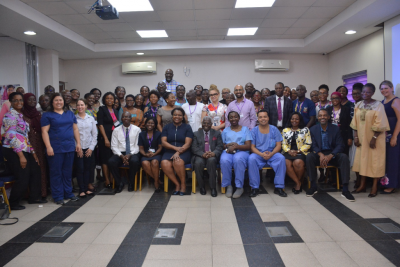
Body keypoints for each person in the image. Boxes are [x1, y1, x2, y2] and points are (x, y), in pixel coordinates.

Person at [2, 92, 44, 210]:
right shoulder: (9, 116)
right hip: (12, 150)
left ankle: (34, 197)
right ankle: (13, 203)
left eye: (21, 100)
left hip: (24, 147)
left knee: (35, 169)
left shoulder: (20, 116)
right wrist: (21, 155)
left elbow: (24, 137)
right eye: (16, 100)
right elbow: (11, 137)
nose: (19, 102)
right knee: (23, 175)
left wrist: (33, 153)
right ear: (10, 102)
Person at [306, 109, 355, 201]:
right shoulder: (312, 129)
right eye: (320, 116)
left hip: (332, 154)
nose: (322, 117)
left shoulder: (335, 128)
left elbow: (340, 145)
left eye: (325, 115)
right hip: (319, 154)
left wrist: (331, 155)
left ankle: (345, 189)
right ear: (318, 118)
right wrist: (320, 154)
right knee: (309, 157)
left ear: (328, 117)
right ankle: (313, 186)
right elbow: (313, 145)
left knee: (344, 157)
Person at [41, 93, 81, 205]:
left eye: (61, 100)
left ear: (64, 102)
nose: (59, 102)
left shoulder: (70, 114)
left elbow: (75, 129)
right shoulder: (47, 115)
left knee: (67, 172)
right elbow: (44, 132)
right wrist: (48, 147)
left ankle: (68, 193)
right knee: (56, 172)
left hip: (69, 147)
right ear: (52, 103)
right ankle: (58, 196)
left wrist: (78, 143)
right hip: (55, 148)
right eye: (56, 100)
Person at [351, 83, 389, 197]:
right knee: (363, 161)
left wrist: (374, 138)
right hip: (362, 138)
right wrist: (356, 136)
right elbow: (355, 123)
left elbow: (381, 123)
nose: (365, 94)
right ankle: (362, 185)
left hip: (375, 139)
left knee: (375, 162)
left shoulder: (378, 105)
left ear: (373, 93)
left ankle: (374, 187)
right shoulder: (359, 104)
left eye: (368, 92)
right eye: (363, 92)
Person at [248, 110, 287, 197]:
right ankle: (255, 188)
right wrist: (261, 154)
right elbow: (252, 147)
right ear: (258, 119)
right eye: (260, 117)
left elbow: (278, 145)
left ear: (268, 118)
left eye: (265, 116)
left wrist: (271, 153)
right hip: (258, 154)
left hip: (272, 153)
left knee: (281, 158)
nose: (263, 119)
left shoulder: (274, 129)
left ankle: (279, 187)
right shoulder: (254, 131)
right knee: (251, 159)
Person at [161, 107, 193, 196]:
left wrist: (178, 152)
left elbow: (188, 143)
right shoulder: (167, 127)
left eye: (179, 115)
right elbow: (163, 142)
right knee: (164, 163)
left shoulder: (187, 127)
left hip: (184, 151)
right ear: (172, 116)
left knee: (178, 161)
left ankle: (183, 185)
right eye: (175, 115)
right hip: (170, 150)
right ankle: (177, 184)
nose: (177, 117)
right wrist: (175, 149)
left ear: (183, 117)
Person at [22, 93, 48, 199]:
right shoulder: (22, 115)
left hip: (39, 144)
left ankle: (42, 193)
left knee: (41, 169)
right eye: (29, 100)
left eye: (34, 100)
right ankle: (31, 195)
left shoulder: (38, 114)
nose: (32, 102)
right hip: (27, 146)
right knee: (31, 170)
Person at [221, 111, 252, 198]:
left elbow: (248, 146)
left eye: (235, 117)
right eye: (231, 117)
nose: (233, 119)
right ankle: (229, 186)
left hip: (242, 152)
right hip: (228, 151)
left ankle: (239, 187)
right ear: (228, 119)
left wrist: (236, 147)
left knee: (238, 159)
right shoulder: (225, 131)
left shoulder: (245, 129)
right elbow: (222, 145)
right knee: (224, 160)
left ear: (239, 118)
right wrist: (228, 145)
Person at [108, 111, 141, 193]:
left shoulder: (137, 129)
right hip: (120, 152)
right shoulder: (116, 130)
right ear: (121, 119)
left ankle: (131, 183)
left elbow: (138, 146)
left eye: (128, 117)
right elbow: (114, 146)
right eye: (124, 117)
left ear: (131, 118)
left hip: (133, 152)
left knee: (134, 161)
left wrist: (130, 154)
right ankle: (119, 183)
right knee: (111, 162)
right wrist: (121, 156)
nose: (126, 118)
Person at [191, 116, 223, 197]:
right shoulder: (196, 134)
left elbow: (220, 146)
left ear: (211, 124)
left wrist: (213, 153)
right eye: (204, 123)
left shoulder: (216, 133)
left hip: (212, 155)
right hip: (200, 155)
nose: (206, 124)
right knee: (198, 163)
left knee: (211, 161)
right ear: (201, 124)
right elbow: (194, 147)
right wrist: (202, 154)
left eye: (208, 123)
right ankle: (202, 187)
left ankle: (213, 188)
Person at [281, 112, 311, 194]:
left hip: (301, 152)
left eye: (297, 119)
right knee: (286, 162)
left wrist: (298, 151)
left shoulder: (305, 130)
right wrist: (289, 151)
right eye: (292, 119)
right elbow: (283, 143)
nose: (294, 120)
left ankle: (297, 183)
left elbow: (308, 143)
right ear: (290, 120)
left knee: (297, 162)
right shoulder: (285, 130)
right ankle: (298, 183)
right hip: (288, 152)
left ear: (300, 120)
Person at [380, 80, 400, 193]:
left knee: (393, 160)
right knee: (386, 160)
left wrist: (394, 136)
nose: (384, 90)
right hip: (385, 136)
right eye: (382, 89)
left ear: (392, 88)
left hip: (394, 134)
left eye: (386, 88)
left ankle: (392, 184)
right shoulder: (382, 102)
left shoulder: (396, 101)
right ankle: (385, 182)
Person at [75, 99, 97, 198]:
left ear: (85, 106)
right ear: (76, 106)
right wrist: (77, 147)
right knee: (80, 169)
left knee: (88, 168)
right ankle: (81, 189)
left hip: (89, 147)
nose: (80, 107)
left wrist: (91, 148)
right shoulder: (74, 119)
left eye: (82, 105)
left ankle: (87, 188)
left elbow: (94, 134)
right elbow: (73, 135)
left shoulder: (91, 118)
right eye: (78, 105)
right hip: (78, 148)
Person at [97, 92, 118, 189]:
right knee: (105, 160)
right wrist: (105, 139)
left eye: (111, 98)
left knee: (112, 159)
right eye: (107, 98)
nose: (110, 100)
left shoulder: (115, 110)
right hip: (105, 138)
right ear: (104, 100)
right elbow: (100, 125)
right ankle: (107, 180)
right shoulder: (102, 109)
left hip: (114, 138)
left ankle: (112, 177)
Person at [139, 117, 162, 192]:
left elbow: (160, 147)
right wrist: (145, 154)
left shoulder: (159, 134)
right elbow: (141, 148)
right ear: (145, 124)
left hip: (157, 153)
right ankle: (158, 180)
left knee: (154, 162)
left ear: (155, 125)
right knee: (144, 163)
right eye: (148, 123)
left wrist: (154, 154)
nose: (150, 125)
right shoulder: (141, 134)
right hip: (145, 154)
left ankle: (155, 183)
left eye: (152, 123)